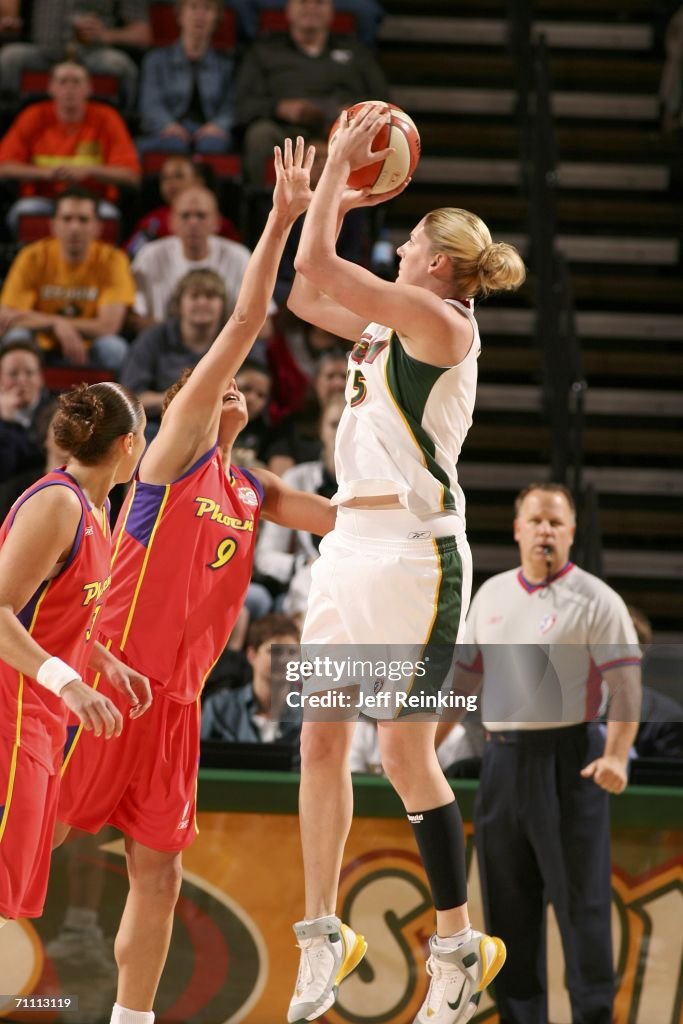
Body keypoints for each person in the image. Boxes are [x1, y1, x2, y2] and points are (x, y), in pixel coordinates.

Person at [55, 137, 338, 1024]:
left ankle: (130, 1019)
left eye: (236, 385)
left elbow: (340, 520)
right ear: (185, 400)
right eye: (210, 380)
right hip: (107, 680)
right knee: (36, 838)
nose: (232, 384)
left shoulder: (248, 487)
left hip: (172, 704)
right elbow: (248, 317)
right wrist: (285, 217)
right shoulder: (167, 464)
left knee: (159, 871)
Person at [285, 102, 526, 1023]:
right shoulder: (389, 324)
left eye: (410, 236)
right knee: (318, 739)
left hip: (416, 559)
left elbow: (315, 268)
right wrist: (324, 205)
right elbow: (306, 297)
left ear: (435, 258)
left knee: (399, 751)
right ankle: (320, 936)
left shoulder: (441, 324)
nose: (398, 245)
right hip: (348, 546)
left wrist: (340, 179)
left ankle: (459, 946)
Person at [453, 482, 642, 1024]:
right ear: (516, 529)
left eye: (556, 523)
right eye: (535, 520)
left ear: (572, 533)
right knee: (507, 913)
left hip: (571, 762)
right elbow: (462, 685)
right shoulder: (489, 596)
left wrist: (618, 756)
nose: (544, 531)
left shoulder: (597, 599)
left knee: (582, 911)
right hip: (502, 764)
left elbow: (626, 688)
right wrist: (418, 748)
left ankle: (594, 1016)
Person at [0, 380, 151, 928]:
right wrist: (68, 681)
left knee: (10, 904)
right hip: (8, 713)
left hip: (39, 718)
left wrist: (104, 662)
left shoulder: (99, 508)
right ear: (128, 443)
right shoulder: (57, 503)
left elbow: (56, 618)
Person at [235, 0, 390, 188]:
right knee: (260, 135)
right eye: (303, 2)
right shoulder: (264, 51)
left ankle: (364, 210)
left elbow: (383, 101)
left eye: (319, 2)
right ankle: (264, 207)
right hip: (287, 133)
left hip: (341, 130)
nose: (311, 8)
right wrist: (280, 108)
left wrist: (352, 113)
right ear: (288, 10)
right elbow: (244, 105)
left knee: (373, 135)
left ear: (331, 10)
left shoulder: (356, 52)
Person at [0, 187, 135, 371]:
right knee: (16, 337)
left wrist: (56, 323)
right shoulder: (32, 256)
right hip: (39, 342)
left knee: (114, 348)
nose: (74, 227)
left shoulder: (113, 259)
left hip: (87, 346)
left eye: (83, 219)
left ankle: (105, 399)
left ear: (97, 227)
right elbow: (7, 317)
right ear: (53, 225)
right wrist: (55, 323)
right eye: (67, 218)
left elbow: (108, 326)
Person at [0, 61, 141, 233]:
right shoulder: (33, 115)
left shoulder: (107, 117)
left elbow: (131, 176)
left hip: (93, 203)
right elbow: (4, 167)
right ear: (51, 87)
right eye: (63, 81)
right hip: (44, 200)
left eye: (76, 82)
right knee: (22, 211)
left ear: (89, 88)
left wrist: (89, 171)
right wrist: (45, 173)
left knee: (110, 215)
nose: (69, 88)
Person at [130, 184, 274, 336]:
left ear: (217, 222)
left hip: (226, 345)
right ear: (171, 222)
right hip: (164, 346)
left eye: (201, 215)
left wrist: (207, 334)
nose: (193, 223)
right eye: (185, 216)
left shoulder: (239, 257)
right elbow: (134, 320)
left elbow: (264, 328)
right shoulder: (149, 256)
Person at [120, 268, 229, 434]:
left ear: (223, 304)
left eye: (210, 296)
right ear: (179, 304)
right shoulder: (153, 339)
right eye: (194, 296)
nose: (202, 302)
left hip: (219, 426)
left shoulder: (232, 341)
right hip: (159, 426)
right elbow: (130, 399)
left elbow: (254, 384)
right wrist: (173, 398)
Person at [0, 0, 150, 116]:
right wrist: (12, 25)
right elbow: (9, 14)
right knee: (9, 58)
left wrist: (106, 34)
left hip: (93, 53)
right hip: (43, 51)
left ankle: (127, 125)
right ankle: (8, 124)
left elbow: (142, 33)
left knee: (120, 65)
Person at [138, 0, 237, 155]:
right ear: (180, 15)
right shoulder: (156, 60)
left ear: (217, 17)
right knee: (174, 144)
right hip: (166, 133)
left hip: (210, 135)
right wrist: (168, 126)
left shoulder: (226, 65)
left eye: (208, 8)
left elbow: (231, 105)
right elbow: (150, 104)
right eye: (193, 7)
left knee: (212, 145)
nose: (200, 15)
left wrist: (218, 126)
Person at [200, 612, 301, 755]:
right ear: (252, 655)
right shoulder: (218, 708)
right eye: (274, 651)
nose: (284, 660)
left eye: (291, 652)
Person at [124, 155, 240, 258]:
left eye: (178, 176)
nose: (171, 183)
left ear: (198, 180)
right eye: (165, 178)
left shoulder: (219, 223)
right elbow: (131, 255)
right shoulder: (153, 222)